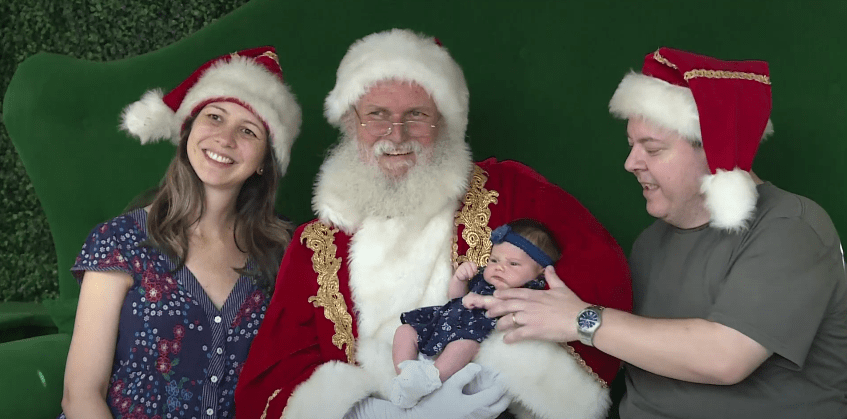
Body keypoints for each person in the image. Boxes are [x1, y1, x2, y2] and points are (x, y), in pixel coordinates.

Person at [234, 29, 632, 419]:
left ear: (444, 122)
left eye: (417, 115)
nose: (397, 134)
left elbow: (601, 277)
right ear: (351, 123)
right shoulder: (315, 245)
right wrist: (369, 413)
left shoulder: (511, 189)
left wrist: (497, 378)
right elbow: (273, 374)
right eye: (377, 115)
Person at [468, 47, 847, 418]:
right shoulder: (650, 243)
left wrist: (584, 319)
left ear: (717, 153)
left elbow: (725, 357)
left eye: (652, 148)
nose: (631, 163)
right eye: (632, 145)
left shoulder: (790, 226)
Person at [59, 47, 302, 419]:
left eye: (248, 130)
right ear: (187, 131)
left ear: (263, 162)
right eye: (215, 117)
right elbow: (81, 395)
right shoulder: (121, 240)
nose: (225, 138)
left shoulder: (285, 252)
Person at [390, 219, 560, 408]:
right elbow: (456, 299)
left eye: (513, 263)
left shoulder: (529, 292)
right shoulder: (482, 278)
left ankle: (430, 378)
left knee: (465, 346)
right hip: (440, 324)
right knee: (404, 331)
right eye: (494, 260)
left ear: (540, 272)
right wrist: (459, 279)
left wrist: (483, 301)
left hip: (468, 334)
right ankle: (405, 380)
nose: (500, 267)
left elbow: (514, 309)